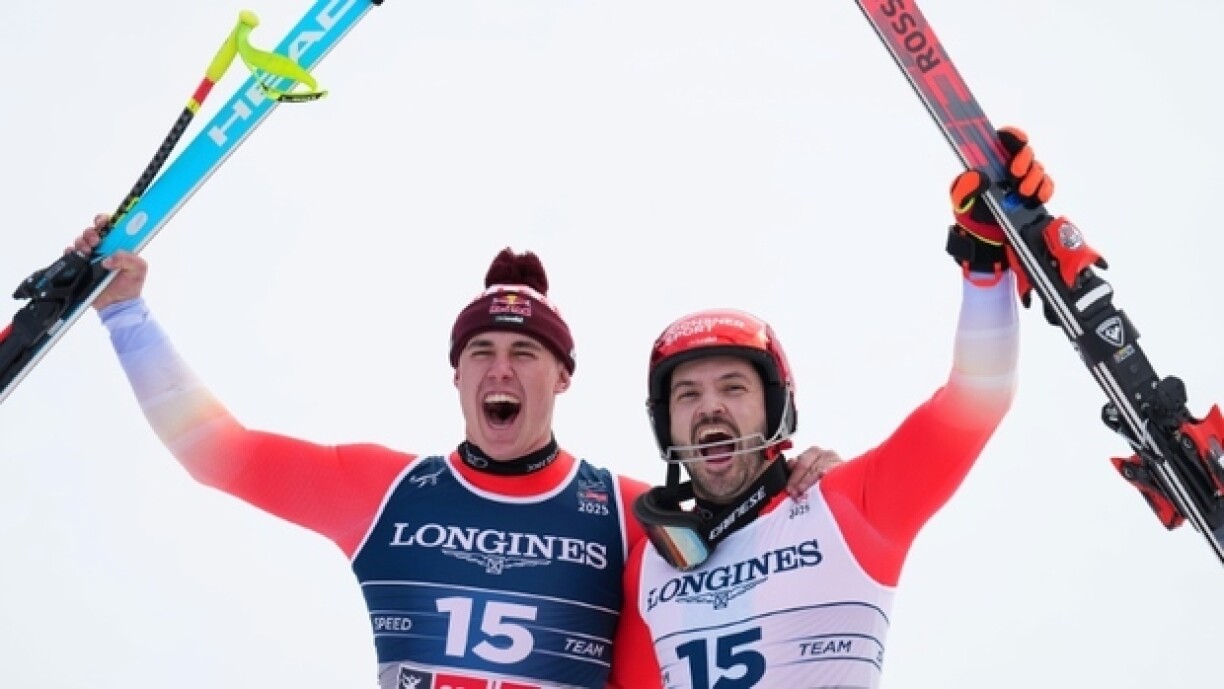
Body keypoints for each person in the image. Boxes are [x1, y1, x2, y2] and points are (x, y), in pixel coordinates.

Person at [74, 227, 842, 688]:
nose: (500, 369)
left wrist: (807, 486)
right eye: (481, 351)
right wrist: (126, 313)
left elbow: (752, 551)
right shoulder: (390, 490)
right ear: (458, 374)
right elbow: (217, 451)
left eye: (524, 352)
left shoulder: (625, 513)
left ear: (563, 376)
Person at [612, 127, 1051, 687]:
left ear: (776, 410)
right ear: (665, 422)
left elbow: (977, 398)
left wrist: (986, 260)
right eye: (688, 394)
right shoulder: (650, 565)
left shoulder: (847, 508)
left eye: (734, 387)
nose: (710, 408)